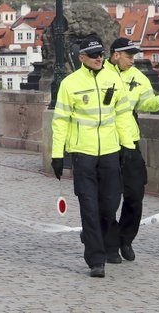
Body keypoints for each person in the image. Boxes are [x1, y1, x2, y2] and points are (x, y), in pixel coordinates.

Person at [51, 35, 138, 278]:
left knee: (109, 206)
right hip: (83, 154)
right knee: (89, 207)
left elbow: (122, 115)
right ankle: (96, 259)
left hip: (111, 152)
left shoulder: (114, 79)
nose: (100, 58)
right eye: (94, 55)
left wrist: (128, 146)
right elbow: (60, 122)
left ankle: (96, 238)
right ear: (82, 58)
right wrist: (58, 155)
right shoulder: (70, 83)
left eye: (101, 54)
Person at [104, 38, 159, 262]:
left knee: (135, 196)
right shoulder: (101, 74)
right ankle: (109, 244)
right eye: (129, 56)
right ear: (115, 55)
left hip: (131, 144)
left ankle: (125, 239)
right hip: (106, 143)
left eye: (133, 56)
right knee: (108, 199)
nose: (132, 60)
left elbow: (145, 103)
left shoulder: (138, 77)